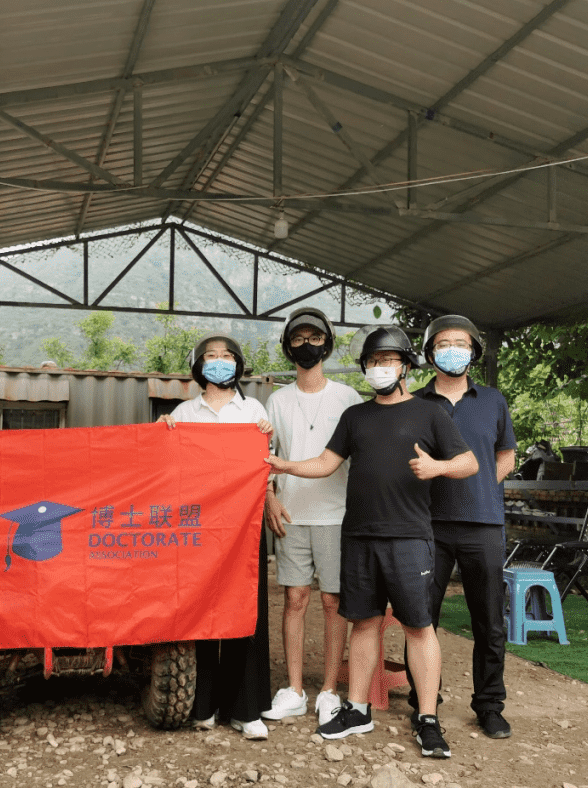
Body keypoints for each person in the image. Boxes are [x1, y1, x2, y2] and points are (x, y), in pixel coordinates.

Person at [265, 325, 478, 759]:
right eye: (372, 362)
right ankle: (358, 709)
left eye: (386, 360)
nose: (378, 368)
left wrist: (437, 468)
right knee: (363, 623)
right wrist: (281, 465)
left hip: (409, 537)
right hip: (358, 536)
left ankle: (428, 719)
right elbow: (326, 463)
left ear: (405, 365)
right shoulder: (355, 416)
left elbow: (469, 461)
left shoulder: (429, 413)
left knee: (419, 627)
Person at [158, 332, 274, 740]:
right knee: (201, 609)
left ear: (238, 365)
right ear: (198, 365)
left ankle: (246, 708)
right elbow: (166, 465)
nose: (220, 361)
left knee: (246, 609)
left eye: (227, 356)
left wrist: (264, 435)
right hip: (198, 529)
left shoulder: (254, 410)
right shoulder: (185, 412)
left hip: (244, 526)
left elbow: (264, 468)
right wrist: (161, 430)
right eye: (211, 356)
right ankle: (202, 703)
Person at [408, 315, 517, 739]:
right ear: (430, 352)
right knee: (421, 618)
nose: (453, 349)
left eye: (461, 343)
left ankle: (489, 705)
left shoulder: (493, 400)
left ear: (473, 351)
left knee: (489, 620)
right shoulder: (414, 402)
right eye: (443, 343)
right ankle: (425, 704)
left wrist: (481, 485)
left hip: (483, 525)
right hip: (426, 526)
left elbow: (506, 454)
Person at [262, 308, 361, 727]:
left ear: (327, 344)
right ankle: (295, 689)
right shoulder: (277, 399)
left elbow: (362, 459)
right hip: (292, 513)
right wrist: (268, 498)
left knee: (333, 601)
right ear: (288, 348)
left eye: (314, 337)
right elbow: (261, 458)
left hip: (337, 515)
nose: (307, 345)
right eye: (298, 339)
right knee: (295, 599)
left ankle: (330, 692)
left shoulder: (349, 397)